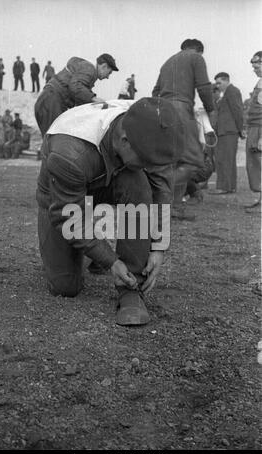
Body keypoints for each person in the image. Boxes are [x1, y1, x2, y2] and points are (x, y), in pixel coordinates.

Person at [36, 97, 184, 326]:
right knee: (65, 287)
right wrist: (110, 261)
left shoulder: (149, 129)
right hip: (64, 196)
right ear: (125, 141)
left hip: (111, 175)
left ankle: (131, 288)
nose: (150, 167)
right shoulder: (70, 152)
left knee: (138, 183)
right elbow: (68, 217)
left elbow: (161, 190)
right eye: (146, 161)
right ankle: (92, 249)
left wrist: (159, 245)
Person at [152, 38, 214, 220]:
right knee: (192, 160)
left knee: (170, 160)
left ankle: (171, 206)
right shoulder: (196, 57)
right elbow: (203, 87)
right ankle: (170, 206)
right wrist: (211, 109)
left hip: (163, 109)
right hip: (180, 109)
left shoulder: (167, 63)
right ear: (198, 50)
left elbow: (155, 92)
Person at [34, 53, 119, 137]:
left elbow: (78, 94)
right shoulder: (90, 69)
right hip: (52, 102)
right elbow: (75, 86)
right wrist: (94, 99)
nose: (108, 77)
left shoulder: (83, 68)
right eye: (109, 73)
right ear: (104, 66)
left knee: (53, 141)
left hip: (47, 100)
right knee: (56, 140)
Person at [210, 72, 244, 194]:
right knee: (225, 159)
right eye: (216, 83)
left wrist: (240, 129)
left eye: (219, 83)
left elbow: (238, 110)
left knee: (225, 159)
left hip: (229, 131)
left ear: (226, 80)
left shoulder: (232, 91)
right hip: (225, 131)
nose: (217, 85)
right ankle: (229, 186)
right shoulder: (225, 94)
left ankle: (224, 187)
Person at [244, 51, 262, 211]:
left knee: (259, 163)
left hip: (260, 129)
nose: (255, 68)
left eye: (257, 64)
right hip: (254, 127)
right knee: (255, 164)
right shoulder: (259, 83)